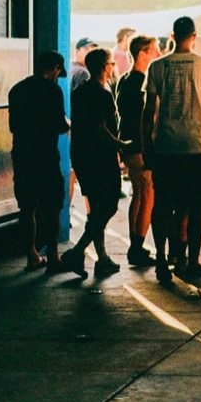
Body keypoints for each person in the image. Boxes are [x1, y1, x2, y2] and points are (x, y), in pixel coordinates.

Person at [142, 16, 201, 283]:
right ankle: (192, 261)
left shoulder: (157, 66)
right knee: (196, 206)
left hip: (166, 146)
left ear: (172, 36)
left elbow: (148, 111)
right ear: (193, 36)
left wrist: (147, 146)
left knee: (162, 204)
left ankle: (162, 259)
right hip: (197, 145)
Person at [60, 49, 131, 278]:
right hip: (101, 157)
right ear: (104, 67)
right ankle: (77, 251)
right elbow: (101, 128)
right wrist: (121, 145)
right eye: (111, 63)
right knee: (109, 205)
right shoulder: (102, 94)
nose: (113, 67)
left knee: (97, 208)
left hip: (81, 156)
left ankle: (102, 258)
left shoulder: (80, 92)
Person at [8, 51, 69, 272]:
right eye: (58, 72)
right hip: (46, 156)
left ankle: (32, 256)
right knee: (52, 206)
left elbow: (13, 126)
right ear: (55, 68)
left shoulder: (17, 90)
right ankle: (53, 257)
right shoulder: (53, 91)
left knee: (27, 207)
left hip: (22, 155)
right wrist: (69, 124)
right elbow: (60, 126)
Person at [117, 33, 160, 266]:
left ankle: (135, 245)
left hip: (128, 145)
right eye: (154, 50)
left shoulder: (125, 79)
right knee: (147, 194)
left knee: (138, 194)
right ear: (142, 54)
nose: (158, 54)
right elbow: (144, 118)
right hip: (140, 147)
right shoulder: (141, 83)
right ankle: (137, 247)